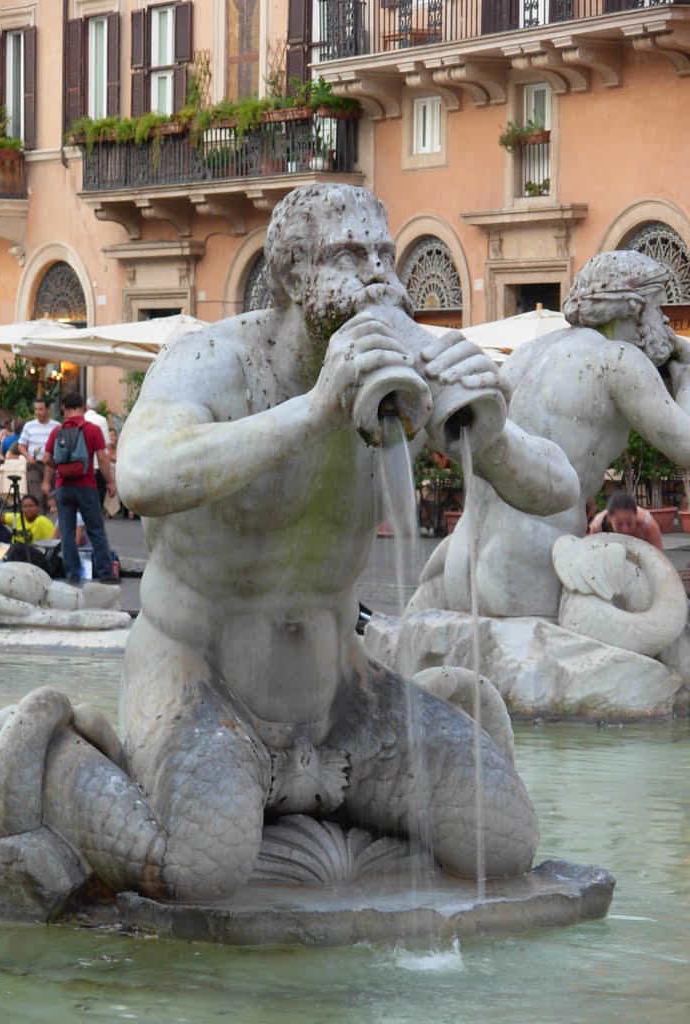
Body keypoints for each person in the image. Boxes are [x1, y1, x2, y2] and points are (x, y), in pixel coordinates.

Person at [98, 183, 581, 895]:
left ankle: (342, 821)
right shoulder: (215, 360)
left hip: (342, 701)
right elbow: (141, 474)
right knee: (207, 869)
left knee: (503, 839)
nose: (380, 275)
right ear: (292, 275)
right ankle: (66, 772)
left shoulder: (405, 365)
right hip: (197, 681)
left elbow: (559, 487)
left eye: (385, 255)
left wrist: (495, 435)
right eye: (352, 256)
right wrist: (317, 408)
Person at [412, 250, 690, 619]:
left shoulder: (527, 352)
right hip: (533, 565)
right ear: (636, 309)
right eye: (658, 307)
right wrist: (686, 379)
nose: (667, 320)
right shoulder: (618, 360)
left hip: (462, 557)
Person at [42, 392, 117, 582]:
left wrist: (59, 470)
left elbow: (46, 459)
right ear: (83, 406)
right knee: (96, 530)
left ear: (64, 408)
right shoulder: (92, 430)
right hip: (87, 485)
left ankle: (72, 574)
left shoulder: (57, 430)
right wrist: (110, 481)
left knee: (66, 532)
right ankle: (105, 573)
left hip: (63, 487)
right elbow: (102, 458)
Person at [18, 398, 59, 511]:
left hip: (51, 464)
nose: (38, 412)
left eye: (41, 409)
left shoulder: (56, 426)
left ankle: (54, 525)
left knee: (53, 496)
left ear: (48, 410)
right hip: (34, 464)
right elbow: (21, 445)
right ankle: (39, 521)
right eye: (36, 409)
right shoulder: (29, 426)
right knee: (37, 496)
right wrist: (28, 456)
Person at [588, 491, 664, 550]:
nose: (625, 529)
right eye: (619, 524)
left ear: (636, 515)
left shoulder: (648, 525)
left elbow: (660, 560)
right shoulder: (596, 526)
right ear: (609, 519)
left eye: (629, 523)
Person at [84, 396, 109, 506]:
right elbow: (106, 443)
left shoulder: (82, 418)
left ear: (86, 407)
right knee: (99, 489)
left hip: (84, 462)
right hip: (98, 462)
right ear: (98, 407)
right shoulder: (102, 420)